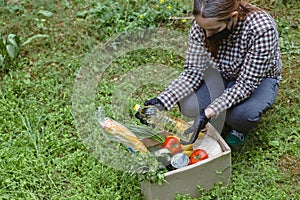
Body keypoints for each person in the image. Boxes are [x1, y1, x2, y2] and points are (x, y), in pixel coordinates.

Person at [136, 0, 282, 149]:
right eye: (203, 28)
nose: (207, 34)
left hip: (257, 79)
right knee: (190, 105)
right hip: (222, 73)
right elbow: (193, 71)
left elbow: (245, 84)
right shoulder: (204, 25)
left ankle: (238, 128)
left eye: (213, 29)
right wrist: (162, 101)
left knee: (241, 116)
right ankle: (219, 112)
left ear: (233, 16)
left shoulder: (261, 29)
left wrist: (207, 113)